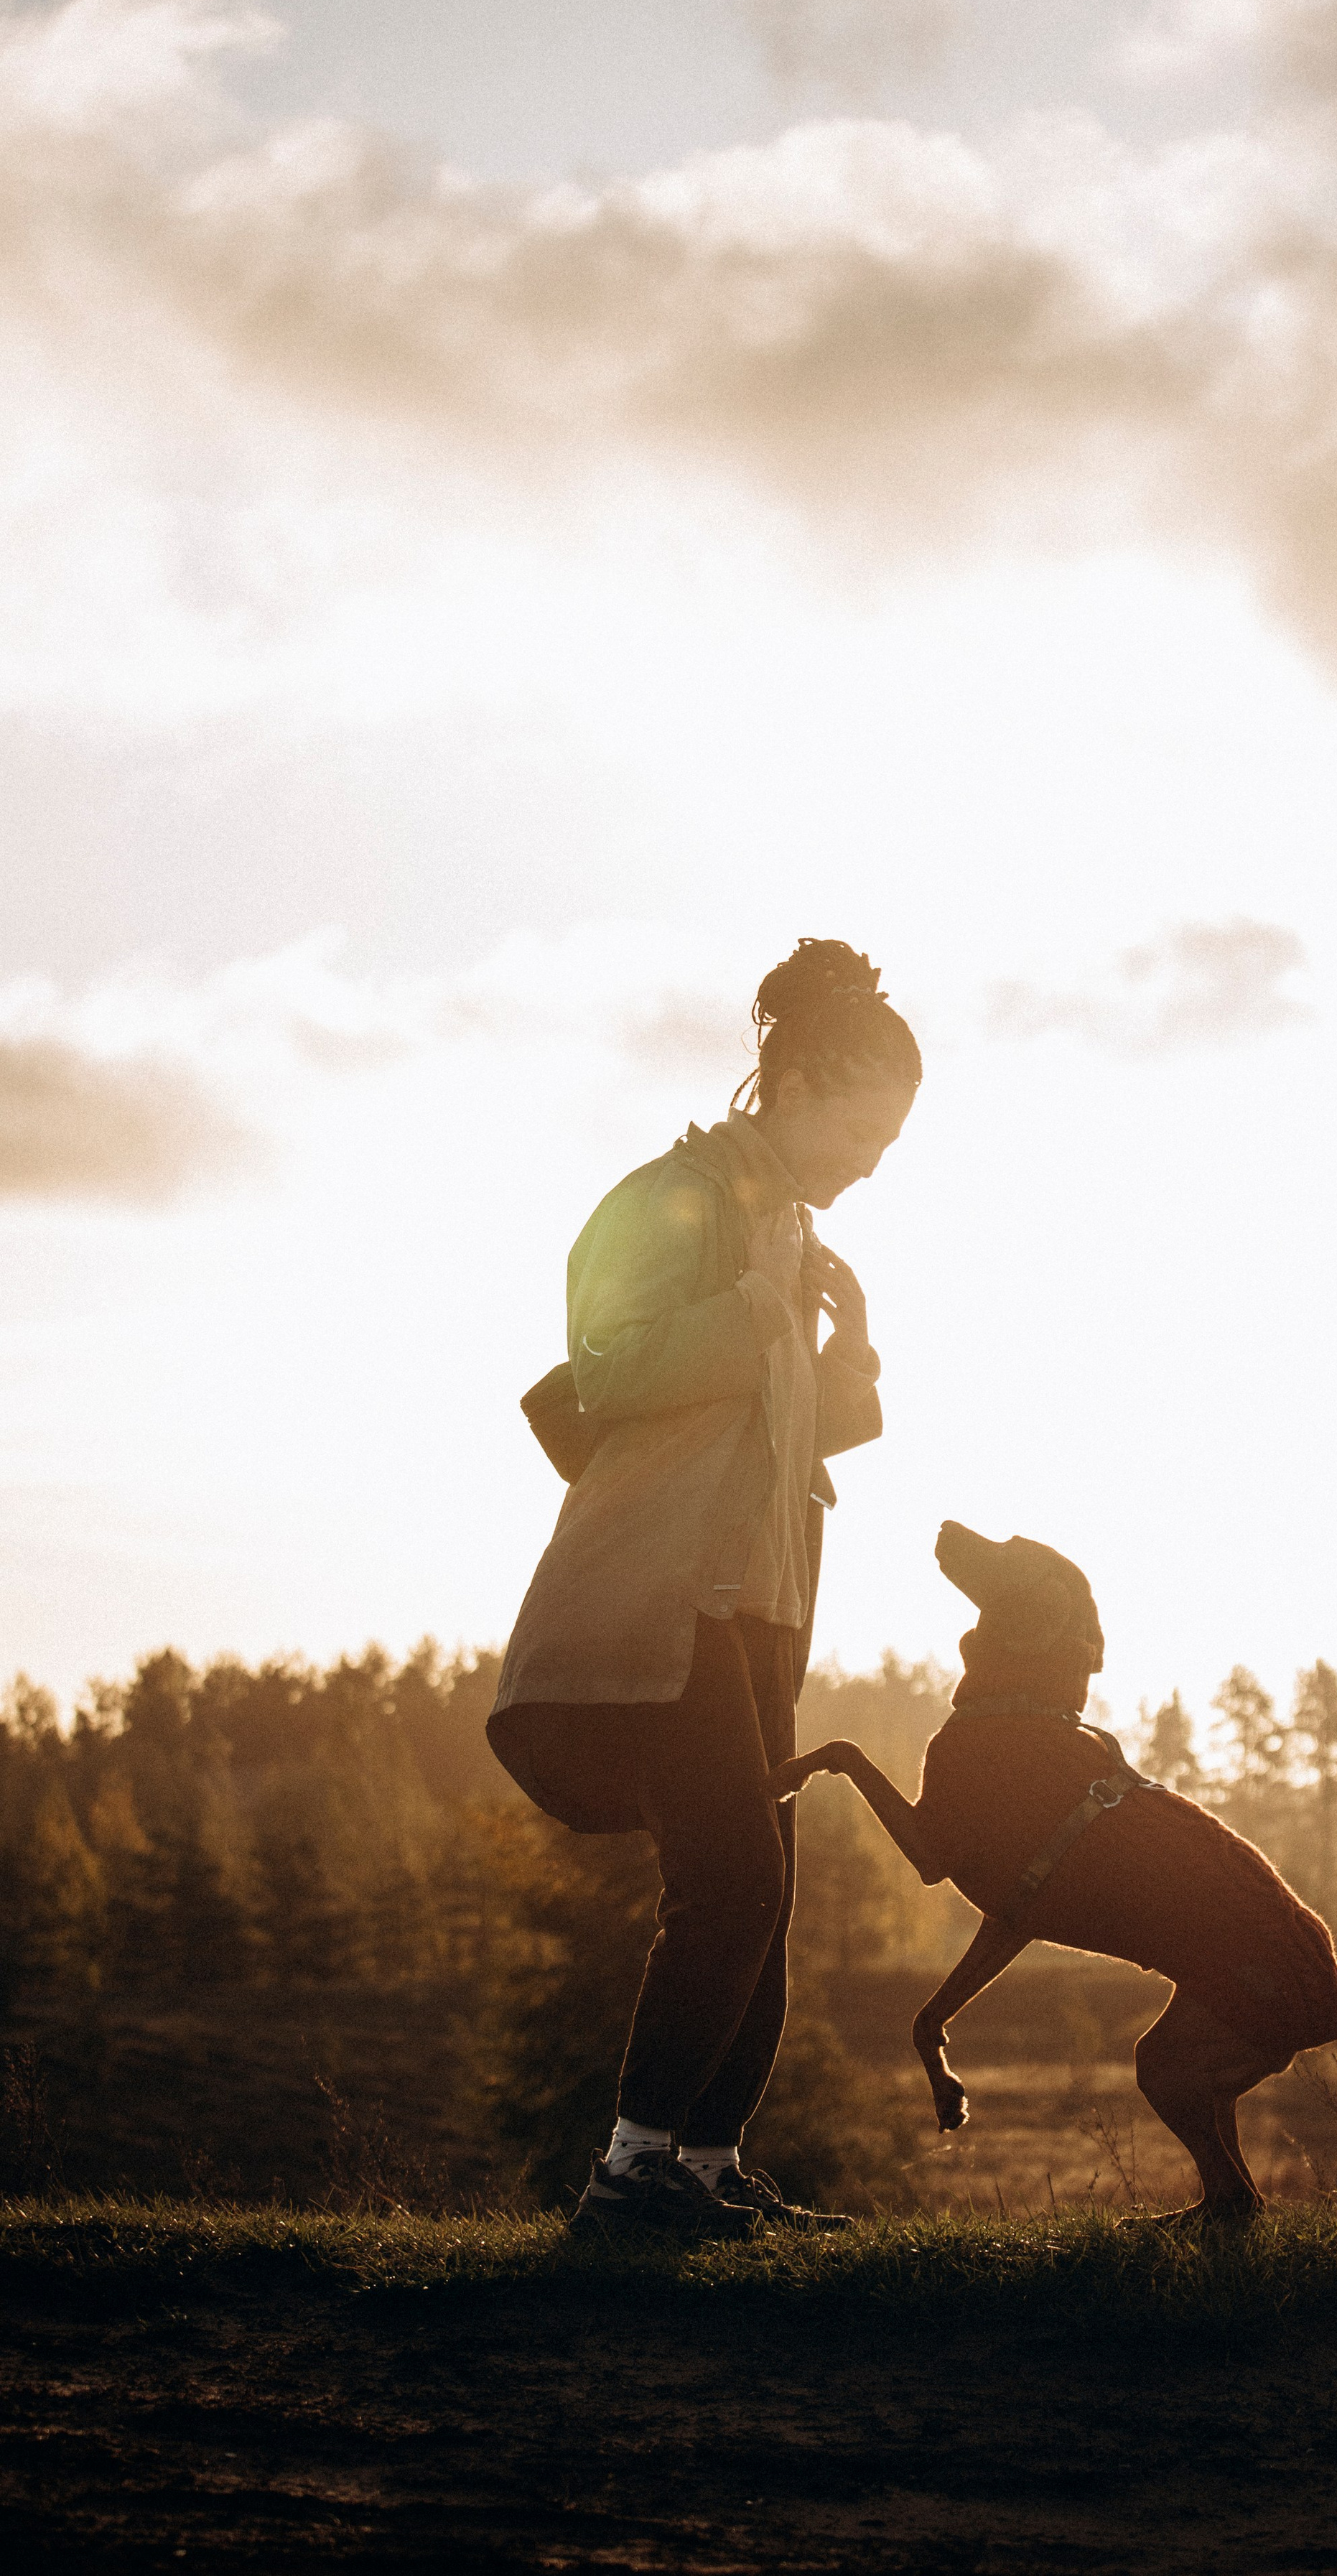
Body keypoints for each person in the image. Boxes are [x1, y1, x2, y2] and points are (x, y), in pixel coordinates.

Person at [488, 939, 921, 2236]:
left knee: (764, 1897)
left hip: (764, 1602)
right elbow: (605, 1373)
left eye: (892, 1144)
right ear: (787, 1089)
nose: (871, 1164)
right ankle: (629, 2175)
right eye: (861, 1129)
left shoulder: (785, 1229)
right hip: (664, 1594)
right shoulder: (668, 1199)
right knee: (730, 1880)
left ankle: (709, 2171)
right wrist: (756, 1302)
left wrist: (845, 1347)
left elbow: (775, 1428)